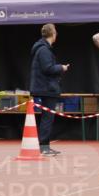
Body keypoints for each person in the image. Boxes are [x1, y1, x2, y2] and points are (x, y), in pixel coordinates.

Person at [29, 23, 69, 156]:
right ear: (52, 34)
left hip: (44, 87)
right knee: (47, 118)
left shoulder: (41, 48)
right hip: (46, 88)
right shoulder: (44, 50)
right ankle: (44, 147)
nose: (56, 34)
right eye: (55, 32)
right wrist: (61, 68)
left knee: (46, 118)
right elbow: (47, 68)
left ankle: (44, 146)